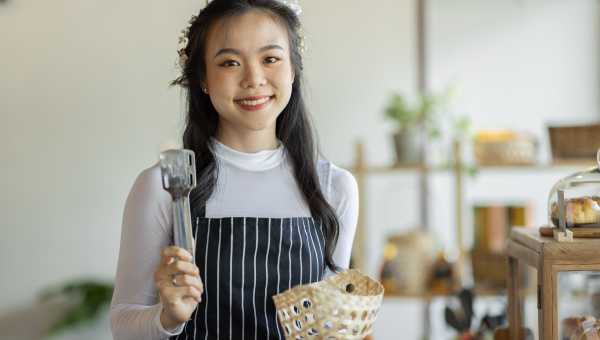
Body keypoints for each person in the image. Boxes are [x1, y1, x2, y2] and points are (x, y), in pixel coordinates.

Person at [109, 0, 370, 339]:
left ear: (293, 69)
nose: (254, 79)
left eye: (270, 58)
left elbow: (323, 326)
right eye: (230, 62)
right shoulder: (162, 187)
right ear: (202, 78)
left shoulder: (333, 187)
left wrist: (345, 329)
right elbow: (123, 323)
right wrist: (168, 317)